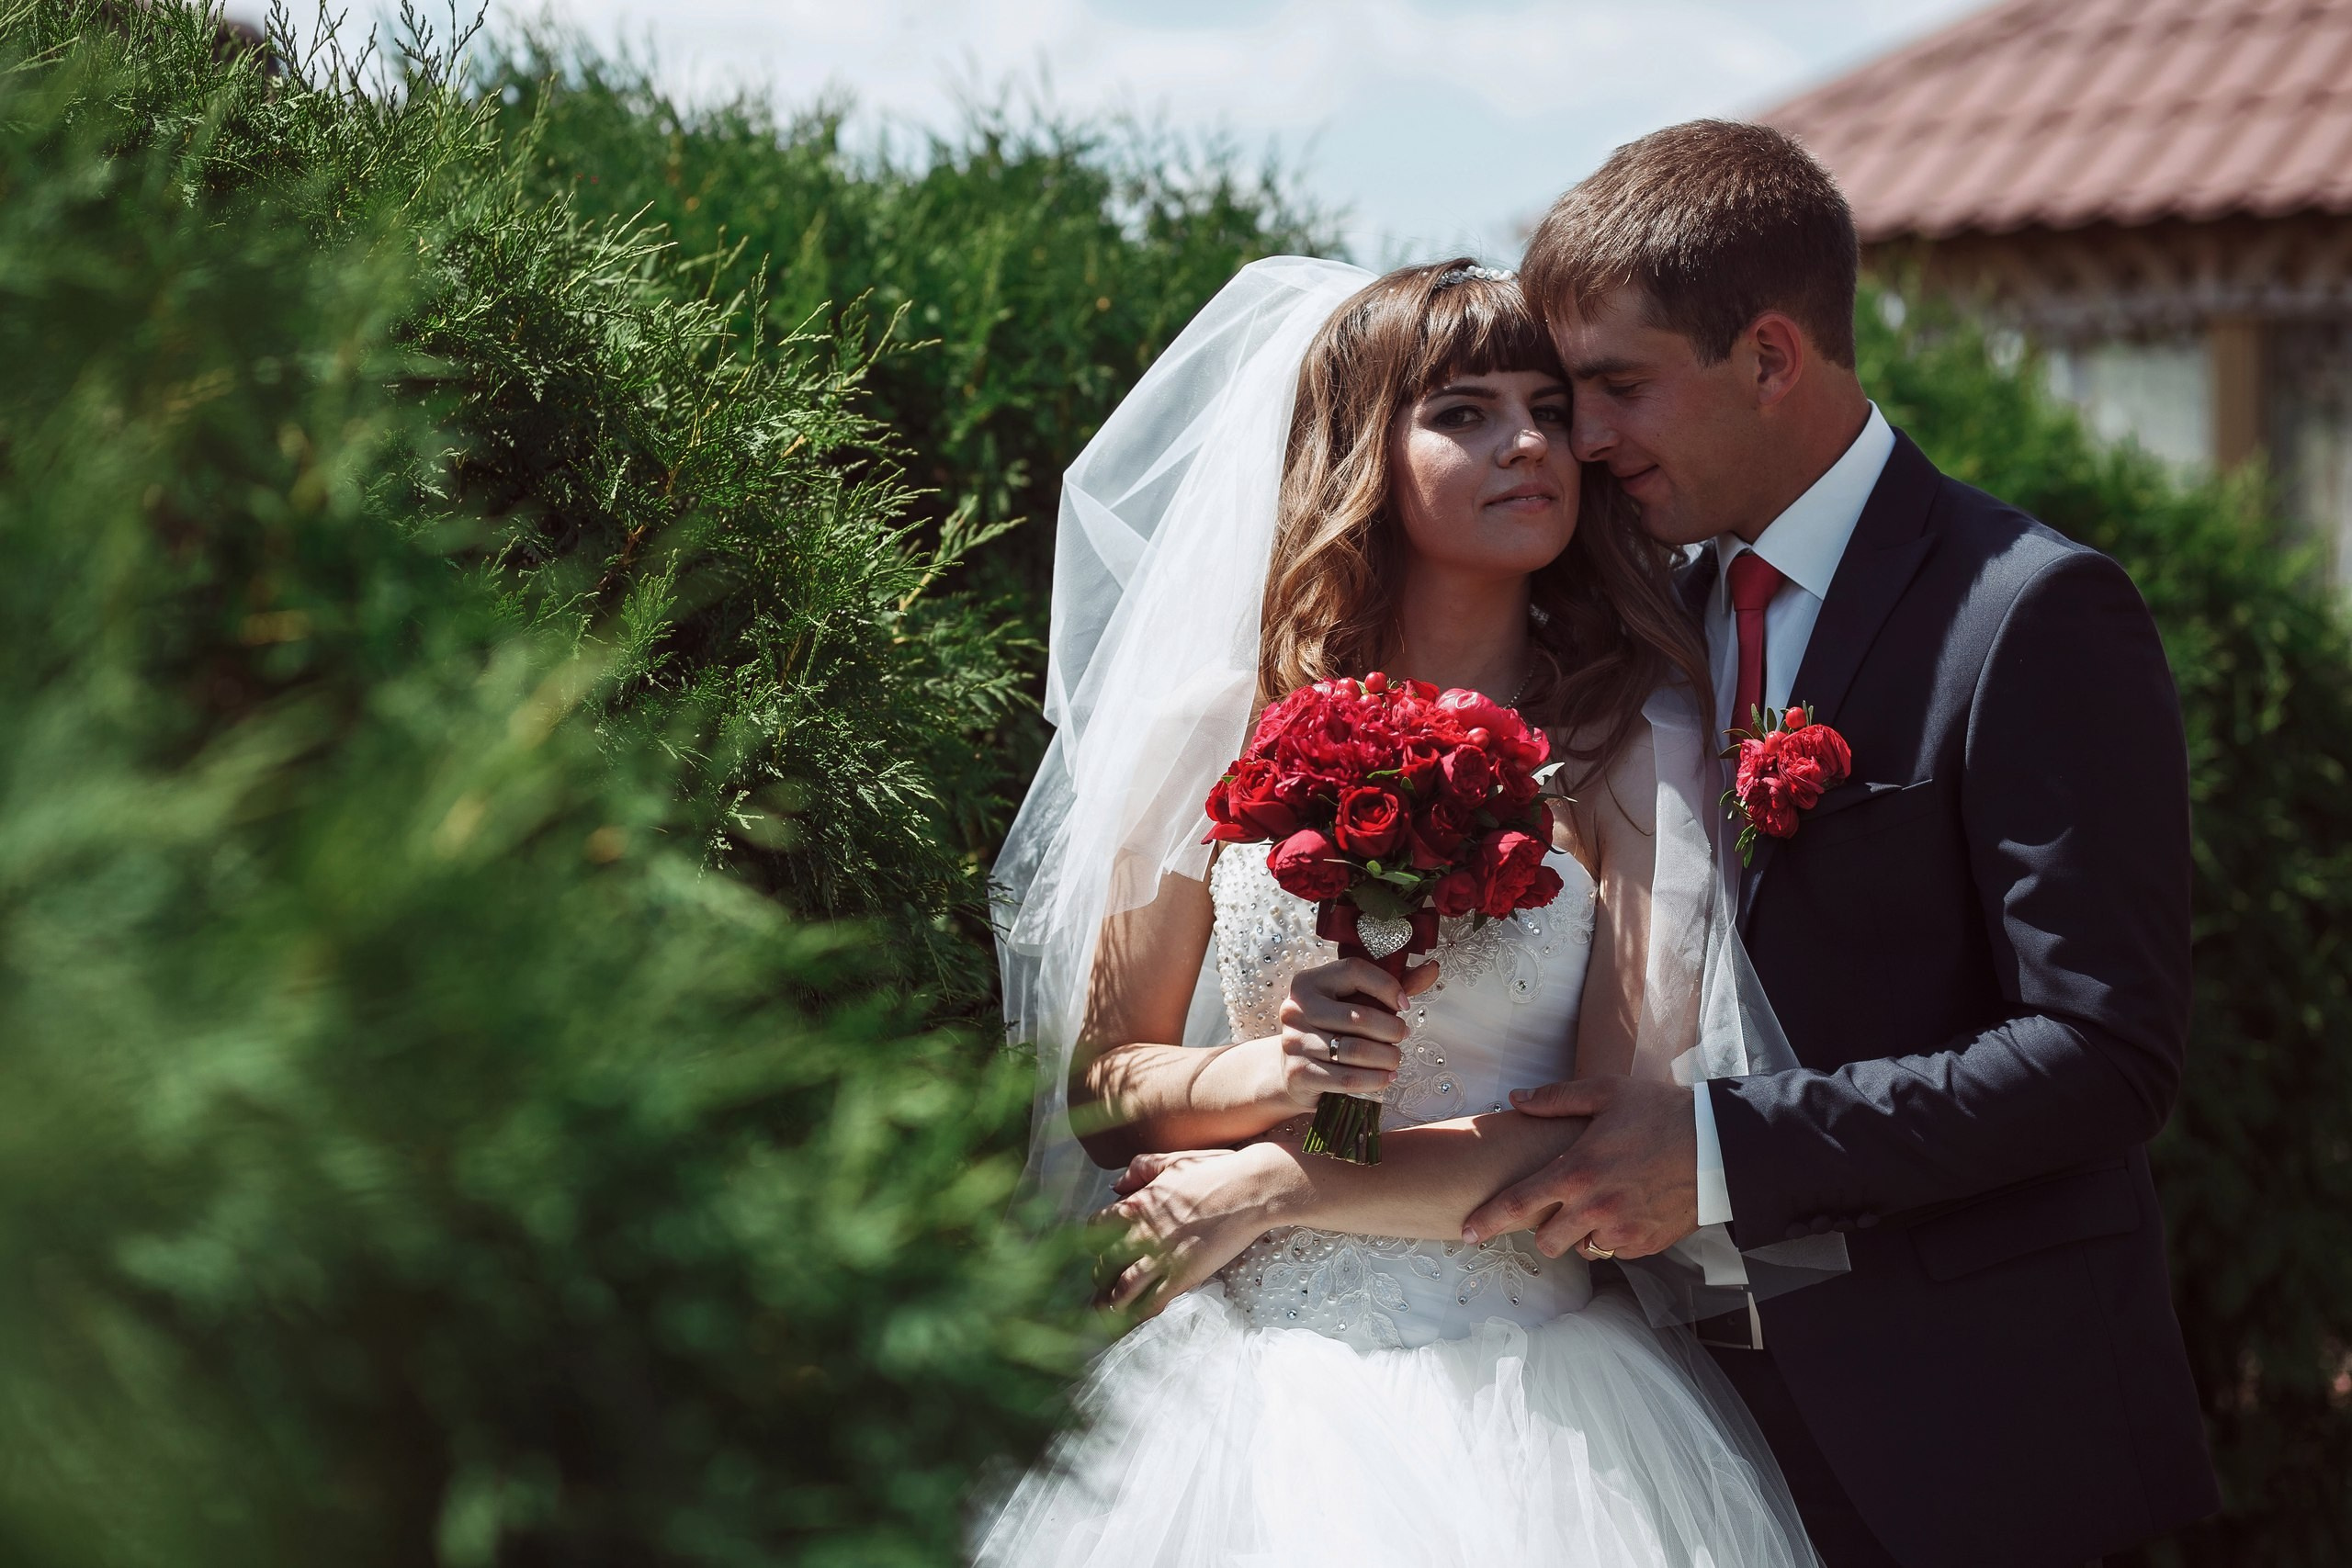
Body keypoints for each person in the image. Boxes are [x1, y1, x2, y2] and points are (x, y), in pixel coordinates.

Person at [977, 256, 1824, 1566]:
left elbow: (1601, 1139)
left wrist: (1266, 1184)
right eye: (1466, 412)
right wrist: (1270, 1069)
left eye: (1548, 408)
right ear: (1362, 448)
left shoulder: (1628, 744)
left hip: (1526, 1403)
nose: (1531, 442)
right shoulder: (1209, 721)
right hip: (1231, 1394)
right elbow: (1102, 1094)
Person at [1453, 120, 2220, 1568]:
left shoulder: (2030, 616)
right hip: (1678, 1434)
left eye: (1619, 387)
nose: (1584, 442)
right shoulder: (1629, 621)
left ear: (1771, 356)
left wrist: (1719, 1156)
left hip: (1974, 1440)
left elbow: (2106, 1055)